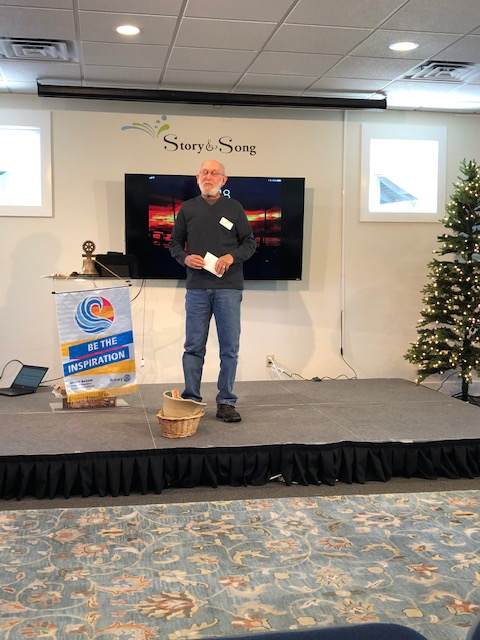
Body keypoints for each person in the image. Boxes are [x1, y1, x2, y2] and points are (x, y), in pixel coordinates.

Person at [169, 159, 256, 423]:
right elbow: (174, 244)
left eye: (214, 173)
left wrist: (231, 257)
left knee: (229, 348)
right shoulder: (187, 208)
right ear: (198, 178)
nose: (209, 176)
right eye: (204, 172)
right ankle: (191, 400)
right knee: (193, 347)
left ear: (223, 180)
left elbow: (249, 243)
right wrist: (185, 258)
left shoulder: (234, 208)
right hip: (197, 288)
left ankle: (226, 402)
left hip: (228, 288)